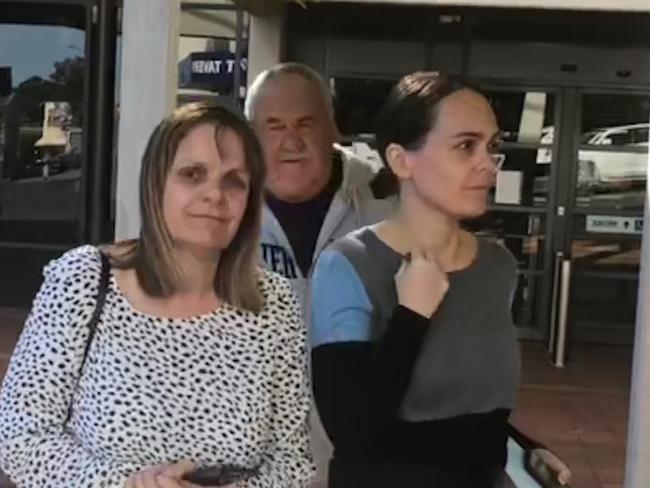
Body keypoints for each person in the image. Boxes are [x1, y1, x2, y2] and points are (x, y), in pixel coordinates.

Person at [0, 102, 314, 488]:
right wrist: (125, 485)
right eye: (192, 174)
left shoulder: (274, 304)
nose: (214, 194)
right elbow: (20, 437)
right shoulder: (84, 280)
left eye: (234, 181)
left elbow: (292, 461)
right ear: (155, 184)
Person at [310, 72, 572, 488]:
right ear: (400, 160)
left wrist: (522, 448)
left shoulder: (496, 266)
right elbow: (355, 434)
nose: (488, 163)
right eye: (466, 146)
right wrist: (412, 316)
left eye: (492, 146)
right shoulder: (347, 266)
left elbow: (476, 410)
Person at [245, 63, 394, 485]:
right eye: (273, 126)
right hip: (251, 464)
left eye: (305, 123)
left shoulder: (387, 203)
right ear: (251, 133)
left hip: (361, 457)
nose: (291, 140)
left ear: (332, 126)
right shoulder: (221, 208)